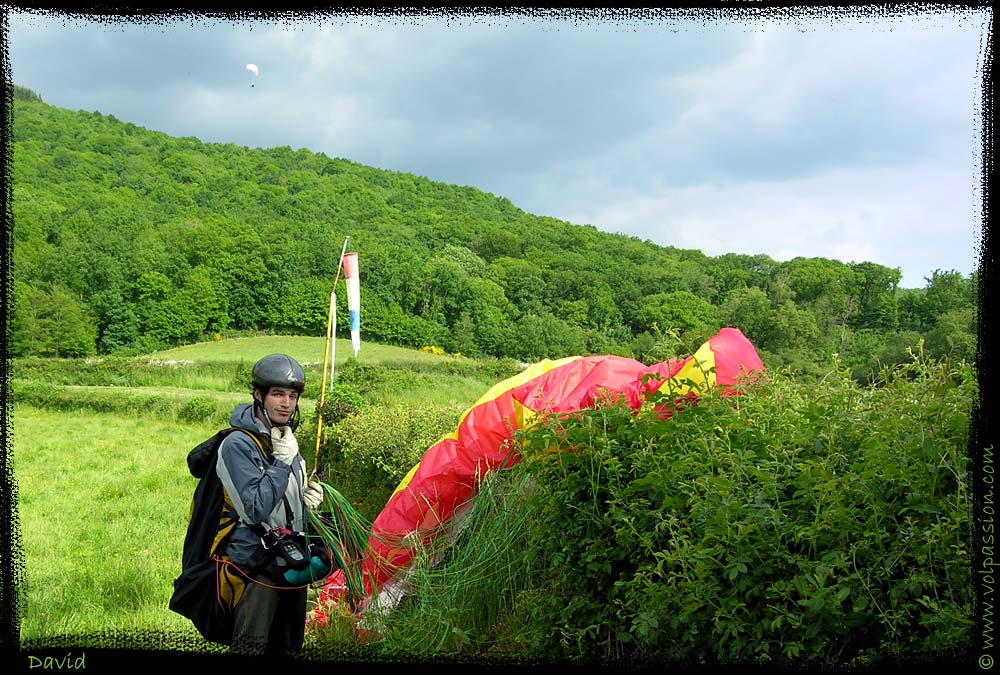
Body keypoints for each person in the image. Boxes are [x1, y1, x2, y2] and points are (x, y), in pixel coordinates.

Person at [216, 353, 325, 658]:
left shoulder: (284, 438)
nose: (286, 403)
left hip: (292, 563)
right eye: (277, 394)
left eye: (292, 396)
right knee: (253, 648)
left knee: (290, 649)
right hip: (257, 567)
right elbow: (254, 509)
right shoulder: (237, 445)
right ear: (258, 395)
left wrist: (306, 502)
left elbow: (285, 504)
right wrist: (281, 461)